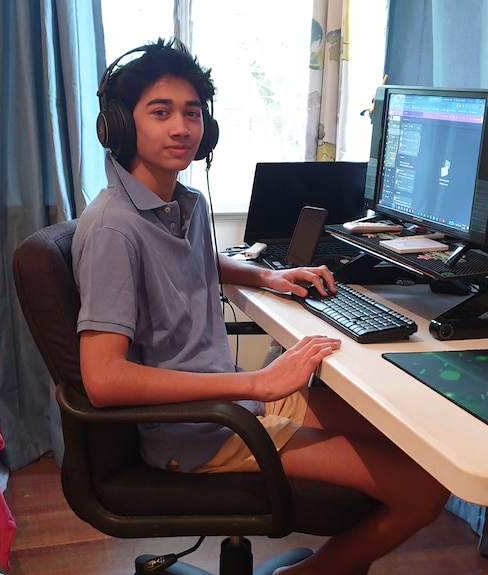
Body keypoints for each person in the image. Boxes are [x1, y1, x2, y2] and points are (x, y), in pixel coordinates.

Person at [72, 38, 449, 575]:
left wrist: (269, 275)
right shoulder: (114, 228)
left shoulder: (183, 205)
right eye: (161, 112)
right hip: (198, 432)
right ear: (120, 125)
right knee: (424, 489)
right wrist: (257, 383)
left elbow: (196, 261)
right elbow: (103, 380)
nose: (181, 127)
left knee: (401, 433)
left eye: (192, 113)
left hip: (231, 405)